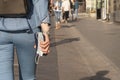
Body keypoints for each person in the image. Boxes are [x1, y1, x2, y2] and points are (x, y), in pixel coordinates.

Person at [0, 0, 50, 80]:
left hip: (1, 31)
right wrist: (45, 32)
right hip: (28, 28)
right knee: (28, 77)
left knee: (3, 76)